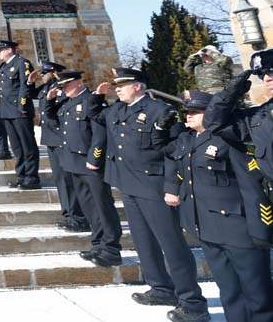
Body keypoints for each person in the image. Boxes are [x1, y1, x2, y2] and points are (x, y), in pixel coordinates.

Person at [94, 67, 208, 322]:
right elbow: (94, 115)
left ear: (138, 86)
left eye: (122, 85)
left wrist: (172, 187)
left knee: (172, 244)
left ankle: (192, 302)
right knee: (143, 241)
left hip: (154, 187)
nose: (117, 89)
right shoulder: (118, 110)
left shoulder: (161, 111)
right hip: (129, 185)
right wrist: (97, 96)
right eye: (116, 86)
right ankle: (161, 288)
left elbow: (175, 153)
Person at [165, 89, 273, 322]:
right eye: (187, 111)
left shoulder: (228, 139)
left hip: (239, 230)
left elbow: (252, 187)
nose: (188, 115)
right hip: (208, 229)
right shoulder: (188, 141)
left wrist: (261, 228)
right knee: (230, 293)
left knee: (258, 295)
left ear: (212, 113)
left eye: (195, 111)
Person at [48, 70, 122, 266]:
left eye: (66, 85)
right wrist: (49, 101)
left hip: (89, 164)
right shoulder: (67, 103)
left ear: (79, 82)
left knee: (102, 206)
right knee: (89, 207)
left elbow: (100, 134)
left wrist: (95, 159)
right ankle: (98, 243)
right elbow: (52, 121)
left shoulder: (91, 100)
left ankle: (111, 248)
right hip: (73, 162)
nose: (63, 89)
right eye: (62, 86)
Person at [28, 62, 88, 231]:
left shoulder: (61, 88)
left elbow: (60, 114)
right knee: (61, 180)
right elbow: (31, 95)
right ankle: (69, 214)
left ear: (53, 73)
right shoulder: (46, 88)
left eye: (44, 73)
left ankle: (78, 217)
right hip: (51, 139)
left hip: (60, 138)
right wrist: (30, 82)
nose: (42, 76)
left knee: (68, 180)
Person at [202, 47, 273, 183]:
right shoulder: (261, 116)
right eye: (262, 74)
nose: (266, 79)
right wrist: (230, 94)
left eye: (271, 71)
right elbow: (214, 124)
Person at [0, 40, 40, 189]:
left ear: (9, 50)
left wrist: (22, 105)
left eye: (1, 50)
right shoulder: (4, 67)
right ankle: (21, 176)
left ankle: (32, 178)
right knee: (17, 147)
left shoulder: (22, 63)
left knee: (27, 145)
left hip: (20, 111)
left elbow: (25, 86)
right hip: (7, 111)